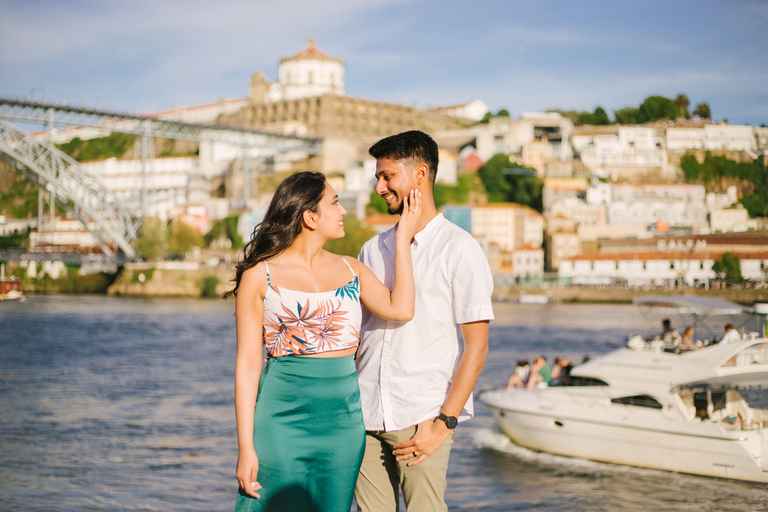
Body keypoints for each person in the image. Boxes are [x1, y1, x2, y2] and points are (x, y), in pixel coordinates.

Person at [228, 171, 422, 511]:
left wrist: (403, 239)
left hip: (342, 427)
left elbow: (401, 308)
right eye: (335, 203)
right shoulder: (259, 275)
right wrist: (246, 447)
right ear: (309, 217)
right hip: (280, 422)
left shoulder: (352, 270)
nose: (343, 211)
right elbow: (247, 364)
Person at [354, 131, 494, 512]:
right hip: (365, 417)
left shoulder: (460, 249)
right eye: (377, 177)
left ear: (419, 174)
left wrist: (443, 422)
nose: (379, 187)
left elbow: (476, 347)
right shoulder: (372, 248)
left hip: (420, 418)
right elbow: (360, 333)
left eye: (387, 176)